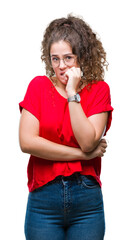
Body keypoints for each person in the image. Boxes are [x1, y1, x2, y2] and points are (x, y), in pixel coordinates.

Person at [19, 14, 113, 240]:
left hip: (86, 203)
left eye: (68, 58)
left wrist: (72, 93)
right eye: (55, 59)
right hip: (43, 201)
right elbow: (27, 142)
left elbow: (88, 140)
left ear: (82, 56)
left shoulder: (99, 90)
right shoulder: (38, 86)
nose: (61, 66)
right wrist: (82, 155)